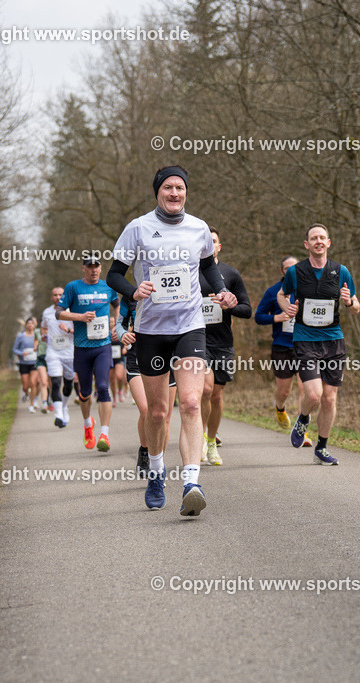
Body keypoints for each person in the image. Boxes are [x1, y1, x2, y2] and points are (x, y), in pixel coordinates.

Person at [108, 165, 237, 516]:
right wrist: (135, 291)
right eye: (168, 188)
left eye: (180, 187)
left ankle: (192, 482)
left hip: (190, 327)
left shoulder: (198, 228)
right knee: (158, 412)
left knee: (193, 404)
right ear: (157, 193)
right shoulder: (138, 228)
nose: (175, 194)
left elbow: (209, 266)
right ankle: (155, 470)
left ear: (186, 192)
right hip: (151, 330)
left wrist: (223, 291)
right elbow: (113, 275)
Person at [278, 223, 359, 465]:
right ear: (307, 244)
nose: (318, 241)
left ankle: (321, 448)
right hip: (305, 339)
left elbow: (356, 307)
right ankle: (303, 418)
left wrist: (348, 302)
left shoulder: (341, 271)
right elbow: (281, 295)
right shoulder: (296, 272)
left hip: (333, 340)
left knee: (330, 398)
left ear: (329, 242)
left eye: (322, 238)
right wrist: (287, 309)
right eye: (314, 238)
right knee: (313, 394)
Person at [199, 227, 251, 465]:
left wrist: (229, 306)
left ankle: (211, 442)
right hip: (196, 339)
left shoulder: (230, 274)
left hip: (222, 342)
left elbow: (247, 310)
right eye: (205, 241)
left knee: (217, 395)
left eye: (214, 241)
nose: (209, 244)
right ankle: (197, 440)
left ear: (219, 246)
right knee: (206, 389)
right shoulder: (189, 272)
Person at [57, 257, 119, 452]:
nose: (94, 270)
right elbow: (59, 312)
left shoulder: (108, 287)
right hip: (82, 347)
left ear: (101, 269)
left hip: (103, 345)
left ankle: (105, 435)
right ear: (83, 268)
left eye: (97, 267)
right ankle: (87, 426)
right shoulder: (73, 287)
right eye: (90, 267)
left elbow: (117, 305)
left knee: (102, 387)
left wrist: (116, 323)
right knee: (84, 392)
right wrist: (80, 317)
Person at [255, 255, 312, 446]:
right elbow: (258, 316)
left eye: (294, 267)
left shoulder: (308, 289)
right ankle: (280, 408)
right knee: (284, 391)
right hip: (282, 346)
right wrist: (275, 319)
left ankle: (302, 431)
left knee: (306, 388)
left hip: (305, 345)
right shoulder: (273, 292)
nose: (290, 271)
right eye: (287, 268)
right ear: (282, 272)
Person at [116, 294, 175, 476]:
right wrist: (123, 334)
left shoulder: (173, 292)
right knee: (146, 409)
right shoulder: (131, 296)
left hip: (168, 359)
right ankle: (144, 450)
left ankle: (158, 468)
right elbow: (120, 324)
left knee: (164, 417)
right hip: (137, 359)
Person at [41, 286, 75, 428]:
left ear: (64, 296)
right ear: (51, 297)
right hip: (53, 352)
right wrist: (44, 335)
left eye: (60, 294)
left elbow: (79, 330)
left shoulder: (71, 311)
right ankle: (58, 415)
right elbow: (43, 327)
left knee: (68, 384)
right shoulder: (47, 312)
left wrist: (67, 329)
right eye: (55, 294)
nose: (58, 297)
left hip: (69, 352)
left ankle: (64, 406)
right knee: (55, 382)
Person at [12, 318, 39, 412]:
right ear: (26, 325)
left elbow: (42, 346)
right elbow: (14, 349)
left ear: (34, 325)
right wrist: (21, 353)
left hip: (34, 362)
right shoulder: (20, 336)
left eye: (32, 323)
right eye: (28, 323)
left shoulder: (37, 335)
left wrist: (37, 350)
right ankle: (27, 394)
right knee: (25, 386)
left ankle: (31, 405)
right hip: (24, 363)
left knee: (33, 383)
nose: (30, 325)